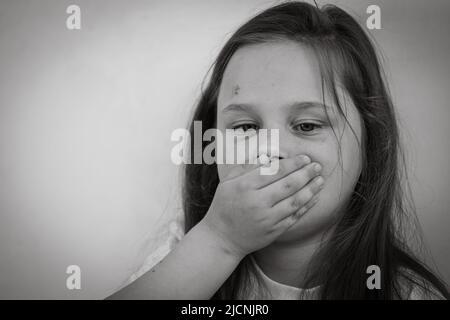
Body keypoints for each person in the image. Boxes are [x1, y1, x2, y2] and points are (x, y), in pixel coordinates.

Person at [108, 1, 449, 299]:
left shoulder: (406, 293)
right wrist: (220, 241)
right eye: (246, 128)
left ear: (371, 144)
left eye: (306, 126)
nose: (268, 154)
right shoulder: (183, 253)